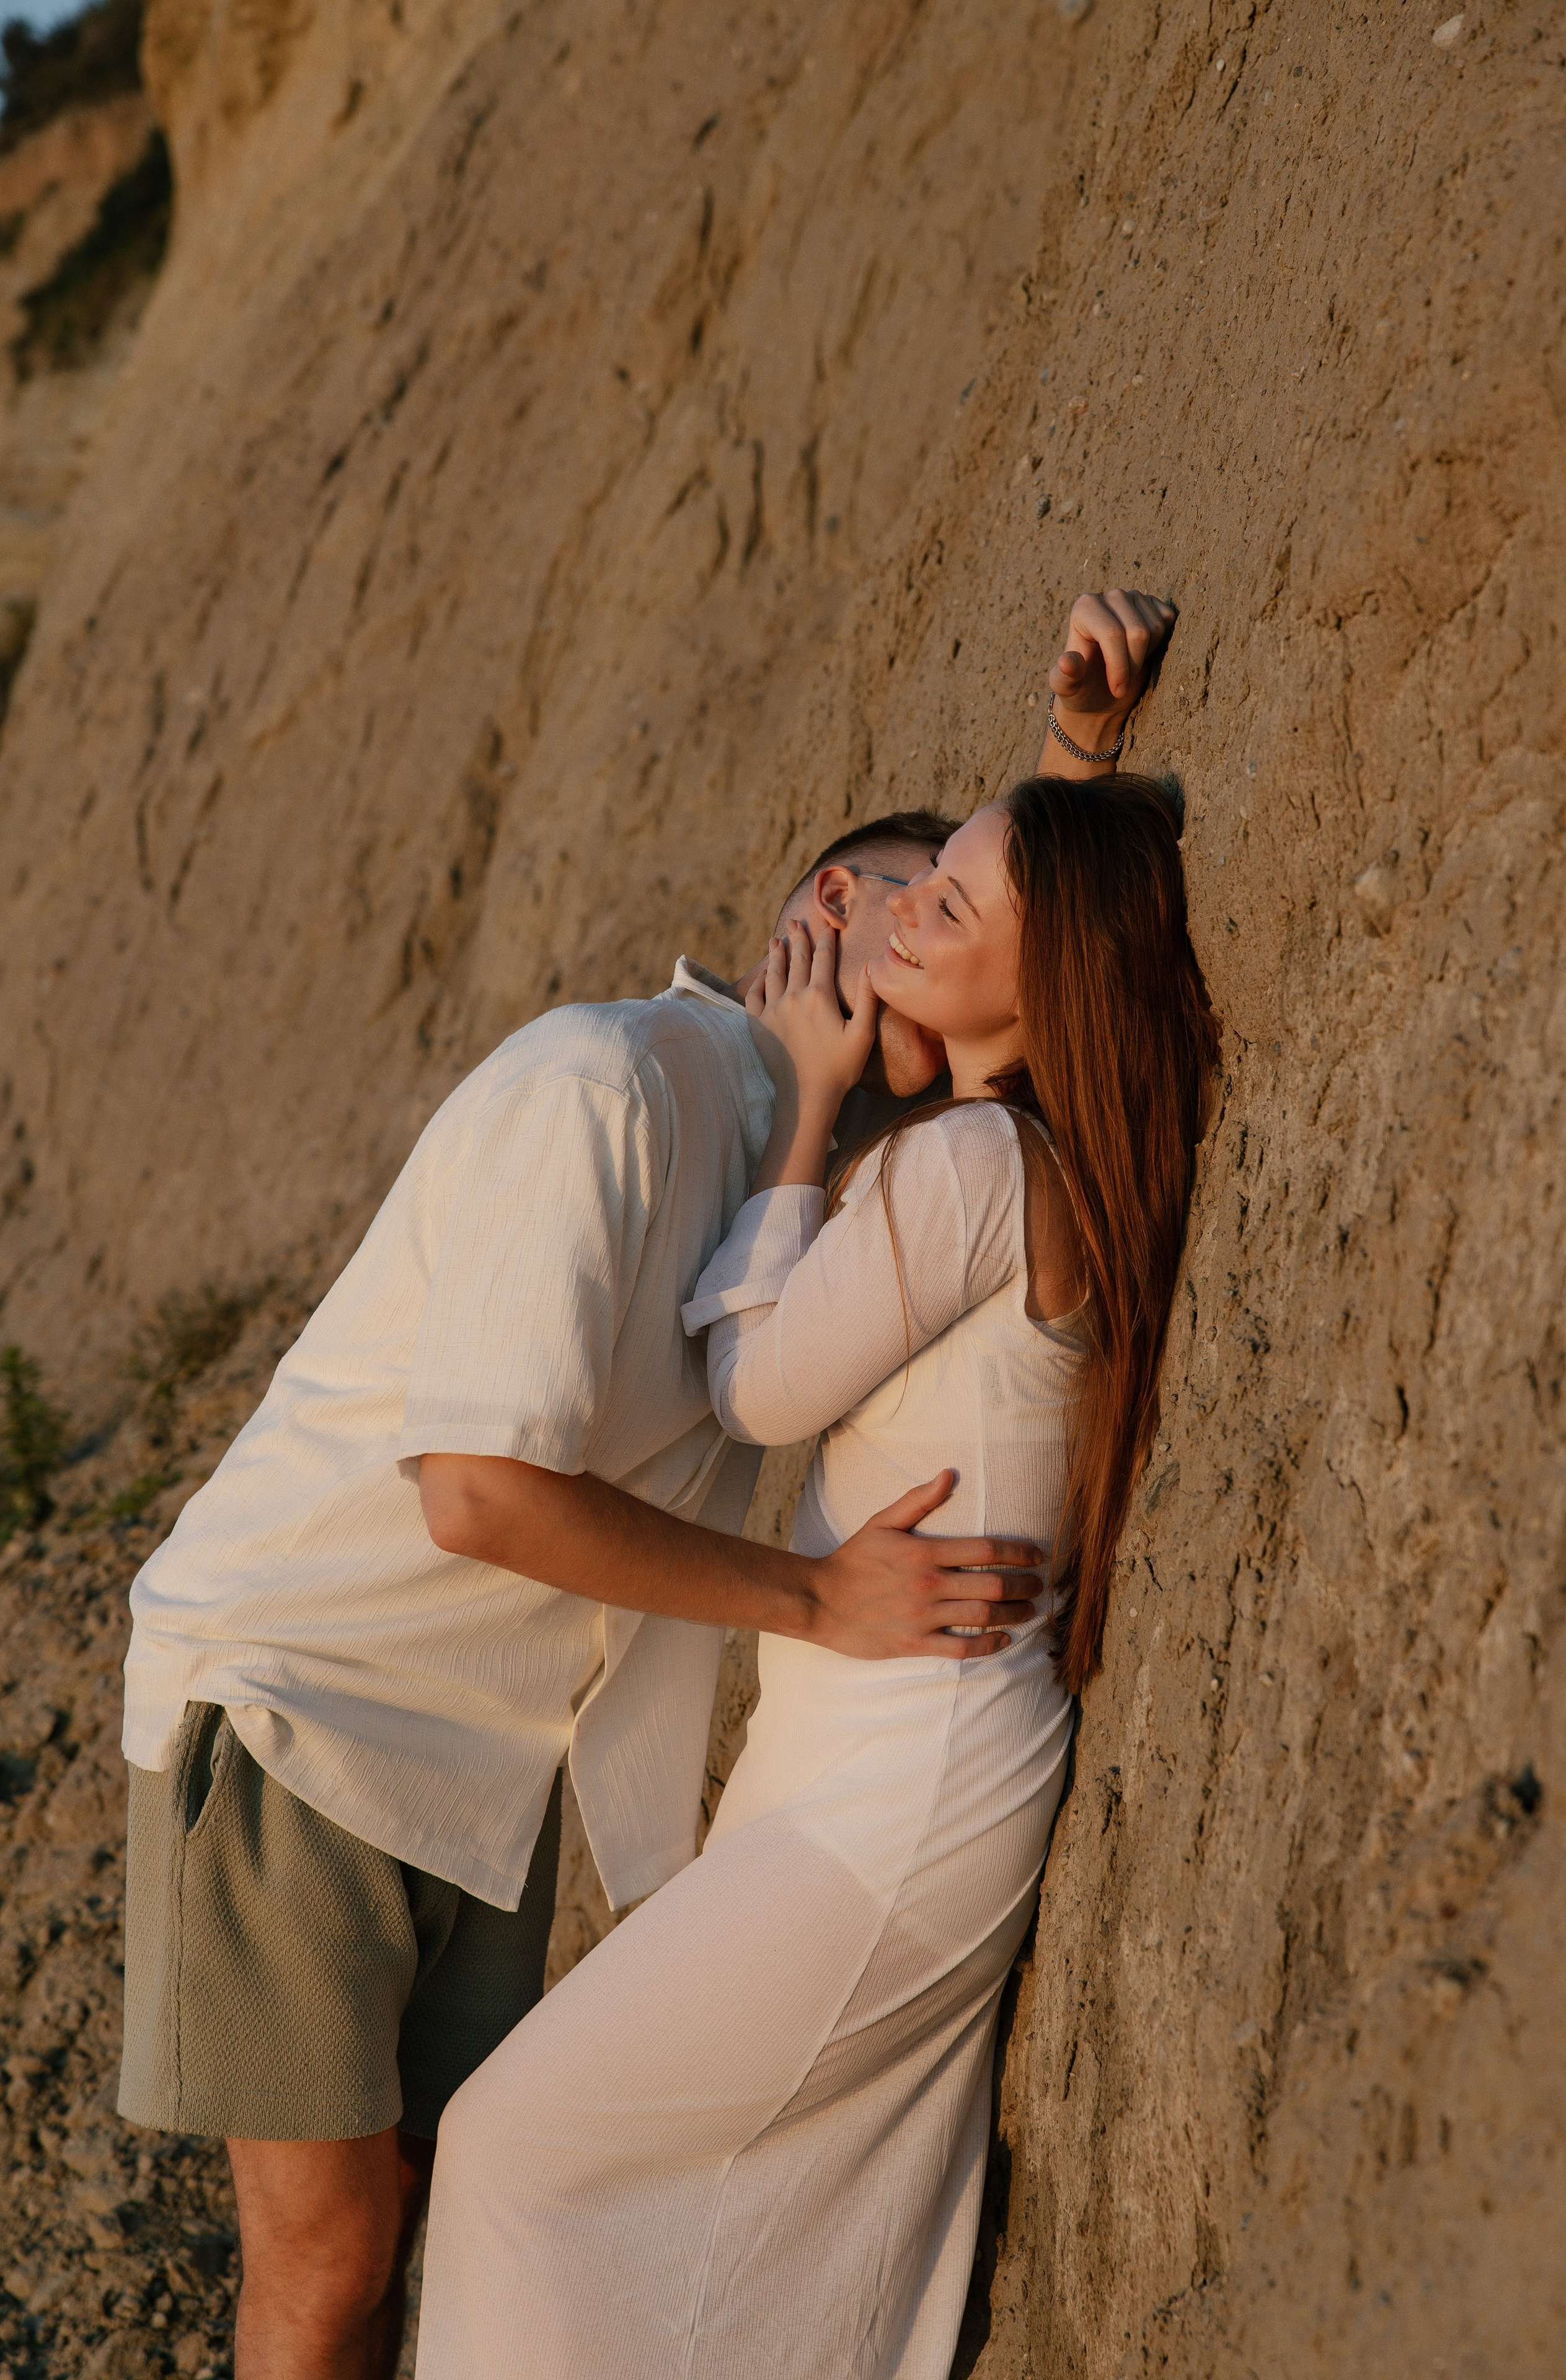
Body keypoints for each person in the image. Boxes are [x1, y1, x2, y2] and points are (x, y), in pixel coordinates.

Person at [116, 788, 1049, 2380]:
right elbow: (475, 1493)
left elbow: (1038, 914)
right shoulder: (605, 1087)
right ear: (828, 909)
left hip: (483, 1773)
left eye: (958, 915)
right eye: (916, 903)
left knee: (418, 2211)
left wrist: (1078, 739)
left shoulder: (805, 1168)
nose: (936, 937)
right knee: (328, 2257)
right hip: (299, 1705)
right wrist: (814, 1600)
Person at [414, 589, 1216, 2379]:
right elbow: (1038, 907)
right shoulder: (1009, 1152)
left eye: (945, 909)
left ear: (1041, 976)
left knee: (511, 2149)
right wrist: (1078, 749)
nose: (900, 919)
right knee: (685, 2221)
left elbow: (754, 1382)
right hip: (863, 1785)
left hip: (889, 1804)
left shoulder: (971, 1168)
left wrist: (795, 1105)